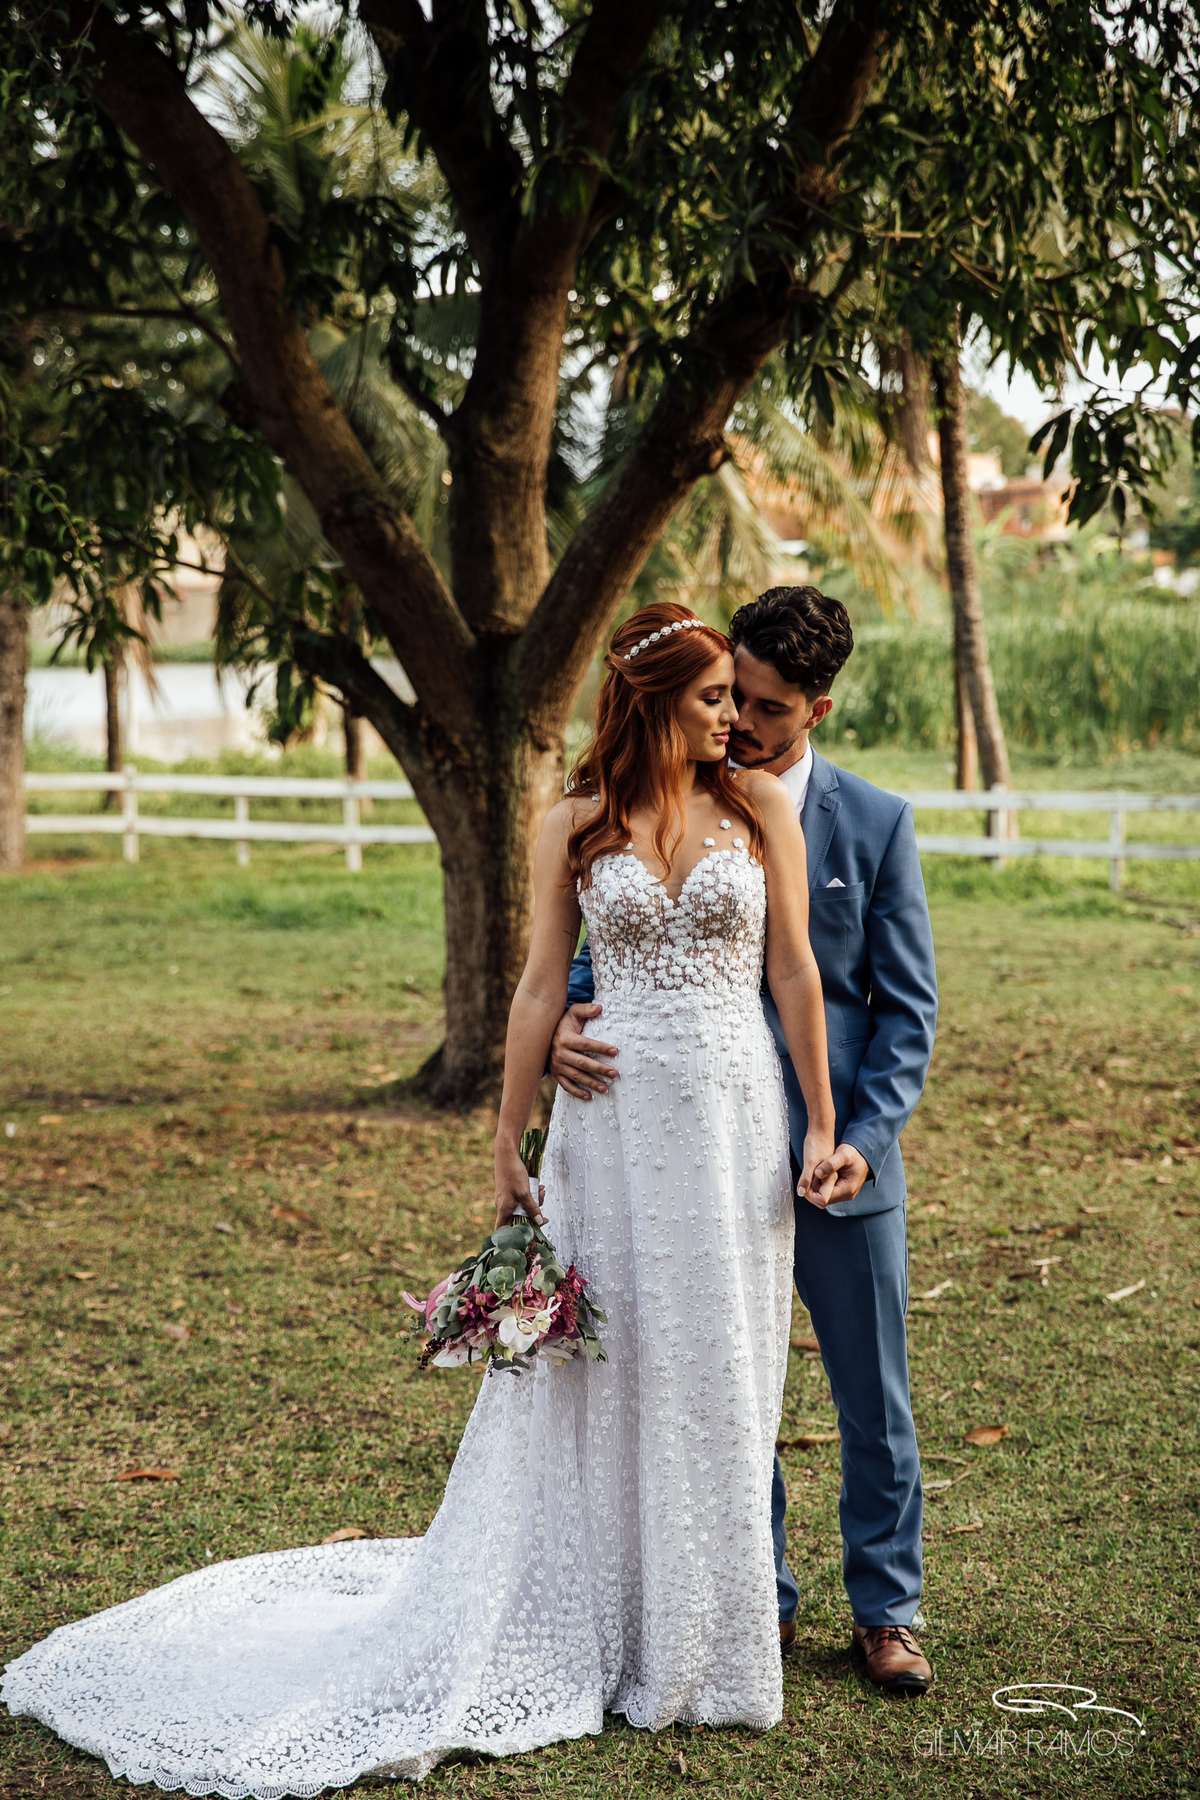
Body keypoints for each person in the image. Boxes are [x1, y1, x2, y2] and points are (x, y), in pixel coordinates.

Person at [2, 603, 837, 1795]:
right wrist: (509, 1136)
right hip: (608, 1130)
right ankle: (601, 1622)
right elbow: (540, 983)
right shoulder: (573, 825)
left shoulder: (757, 808)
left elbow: (794, 969)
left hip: (736, 1120)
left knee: (722, 1368)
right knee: (613, 1366)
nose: (734, 720)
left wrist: (821, 1120)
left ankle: (701, 1646)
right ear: (657, 702)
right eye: (713, 699)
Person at [551, 586, 939, 1697]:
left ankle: (887, 1610)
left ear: (818, 708)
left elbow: (905, 1010)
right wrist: (575, 1020)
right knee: (712, 1382)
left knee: (872, 1396)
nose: (740, 725)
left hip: (831, 1163)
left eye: (767, 707)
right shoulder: (671, 796)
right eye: (732, 698)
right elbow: (613, 938)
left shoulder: (873, 825)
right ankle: (747, 1599)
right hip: (684, 1150)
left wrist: (859, 1136)